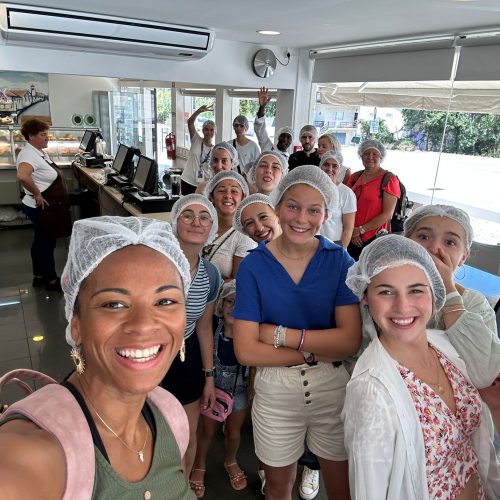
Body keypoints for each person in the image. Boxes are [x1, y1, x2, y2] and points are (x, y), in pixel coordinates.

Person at [0, 216, 195, 498]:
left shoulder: (169, 414)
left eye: (165, 301)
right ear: (76, 324)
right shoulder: (29, 457)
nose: (143, 325)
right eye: (114, 304)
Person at [232, 165, 361, 500]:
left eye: (313, 210)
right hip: (276, 390)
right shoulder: (253, 267)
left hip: (332, 388)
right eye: (293, 206)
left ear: (326, 216)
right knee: (278, 487)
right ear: (277, 207)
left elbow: (349, 341)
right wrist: (314, 351)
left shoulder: (340, 262)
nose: (302, 218)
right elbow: (246, 351)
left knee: (343, 488)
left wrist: (279, 335)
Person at [342, 234, 500, 499]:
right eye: (386, 291)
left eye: (416, 290)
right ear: (365, 297)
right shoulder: (370, 392)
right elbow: (370, 490)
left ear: (434, 292)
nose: (403, 306)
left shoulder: (447, 348)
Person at [404, 204, 500, 427]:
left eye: (449, 242)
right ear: (406, 242)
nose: (435, 248)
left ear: (464, 256)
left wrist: (447, 288)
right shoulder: (382, 295)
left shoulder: (474, 303)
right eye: (423, 236)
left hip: (452, 425)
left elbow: (484, 372)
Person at [161, 195, 223, 480]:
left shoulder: (210, 275)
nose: (196, 222)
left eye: (204, 217)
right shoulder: (156, 263)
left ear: (212, 227)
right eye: (188, 215)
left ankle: (181, 489)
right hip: (147, 354)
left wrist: (209, 377)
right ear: (175, 222)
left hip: (185, 357)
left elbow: (204, 327)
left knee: (186, 436)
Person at [191, 281, 249, 498]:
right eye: (229, 302)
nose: (233, 308)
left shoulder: (249, 332)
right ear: (221, 305)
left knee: (234, 433)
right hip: (213, 388)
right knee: (207, 431)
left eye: (240, 304)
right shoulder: (213, 325)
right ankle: (199, 464)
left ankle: (230, 460)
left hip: (239, 390)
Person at [16, 117, 71, 291]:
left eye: (47, 134)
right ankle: (51, 280)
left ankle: (39, 275)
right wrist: (37, 194)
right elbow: (22, 175)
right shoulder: (28, 154)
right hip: (40, 207)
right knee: (46, 243)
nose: (47, 137)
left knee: (40, 240)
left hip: (44, 205)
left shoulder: (38, 151)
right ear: (31, 136)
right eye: (42, 134)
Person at [347, 139, 400, 260]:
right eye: (366, 153)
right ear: (361, 156)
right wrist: (353, 231)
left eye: (375, 154)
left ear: (381, 157)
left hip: (374, 238)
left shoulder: (389, 179)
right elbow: (346, 205)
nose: (370, 157)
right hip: (352, 235)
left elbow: (387, 214)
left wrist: (361, 230)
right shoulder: (354, 177)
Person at [202, 170, 256, 280]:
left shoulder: (245, 237)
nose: (228, 196)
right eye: (221, 191)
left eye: (234, 191)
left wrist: (202, 287)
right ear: (211, 196)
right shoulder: (200, 226)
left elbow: (238, 282)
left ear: (243, 197)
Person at [319, 151, 356, 249]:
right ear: (320, 166)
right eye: (326, 164)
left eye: (334, 166)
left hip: (334, 245)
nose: (329, 169)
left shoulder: (346, 193)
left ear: (340, 169)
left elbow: (348, 228)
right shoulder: (313, 189)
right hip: (311, 243)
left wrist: (340, 251)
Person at [181, 104, 216, 195]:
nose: (209, 132)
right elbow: (190, 122)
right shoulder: (196, 139)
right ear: (203, 130)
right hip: (187, 181)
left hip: (202, 185)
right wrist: (198, 111)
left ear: (215, 132)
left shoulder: (215, 150)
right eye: (206, 129)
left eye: (211, 130)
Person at [254, 87, 294, 159]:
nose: (285, 139)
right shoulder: (267, 146)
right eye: (283, 136)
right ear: (278, 137)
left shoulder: (289, 159)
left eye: (288, 137)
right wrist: (262, 107)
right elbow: (259, 128)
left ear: (291, 142)